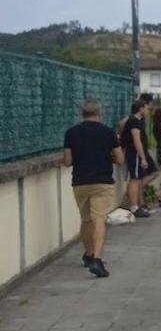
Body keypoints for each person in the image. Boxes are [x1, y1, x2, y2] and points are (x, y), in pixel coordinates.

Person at [63, 99, 123, 278]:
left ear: (82, 114)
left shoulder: (71, 133)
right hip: (102, 182)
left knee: (85, 219)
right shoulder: (108, 132)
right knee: (99, 220)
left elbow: (67, 161)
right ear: (99, 113)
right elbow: (120, 159)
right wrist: (107, 158)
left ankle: (88, 254)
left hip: (80, 182)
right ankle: (97, 259)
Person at [120, 99, 157, 218]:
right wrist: (142, 157)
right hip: (134, 153)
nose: (147, 110)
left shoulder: (136, 121)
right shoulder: (134, 122)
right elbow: (137, 140)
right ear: (140, 109)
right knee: (135, 179)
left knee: (139, 178)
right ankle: (134, 207)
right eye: (146, 108)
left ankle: (138, 205)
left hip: (136, 153)